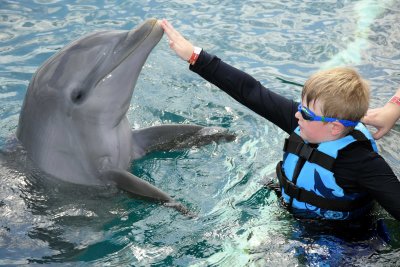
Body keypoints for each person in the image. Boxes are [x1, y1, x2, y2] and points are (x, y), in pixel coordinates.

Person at [159, 19, 400, 221]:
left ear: (335, 127)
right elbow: (251, 91)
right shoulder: (308, 124)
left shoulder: (364, 164)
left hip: (336, 240)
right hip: (290, 209)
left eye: (305, 113)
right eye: (300, 106)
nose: (296, 114)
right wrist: (195, 56)